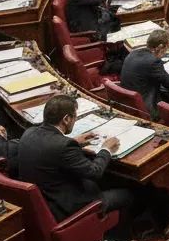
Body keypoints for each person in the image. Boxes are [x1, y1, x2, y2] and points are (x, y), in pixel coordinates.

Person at [15, 94, 136, 222]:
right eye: (75, 117)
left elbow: (49, 148)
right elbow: (95, 172)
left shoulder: (29, 133)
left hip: (47, 200)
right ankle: (120, 237)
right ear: (66, 119)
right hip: (67, 208)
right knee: (129, 194)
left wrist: (75, 142)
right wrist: (106, 149)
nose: (74, 121)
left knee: (108, 180)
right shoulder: (64, 146)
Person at [120, 30, 169, 117]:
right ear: (161, 46)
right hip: (145, 107)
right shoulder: (154, 62)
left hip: (127, 102)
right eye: (167, 47)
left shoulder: (133, 53)